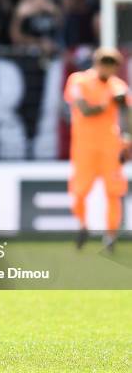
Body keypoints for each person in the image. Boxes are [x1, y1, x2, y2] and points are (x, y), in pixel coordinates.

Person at [64, 47, 130, 252]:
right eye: (105, 62)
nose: (108, 67)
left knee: (114, 191)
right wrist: (107, 103)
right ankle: (83, 225)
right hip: (84, 147)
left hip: (110, 146)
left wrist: (127, 140)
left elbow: (126, 113)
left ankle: (110, 235)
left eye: (112, 64)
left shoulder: (118, 85)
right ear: (96, 62)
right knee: (80, 191)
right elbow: (84, 109)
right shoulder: (79, 80)